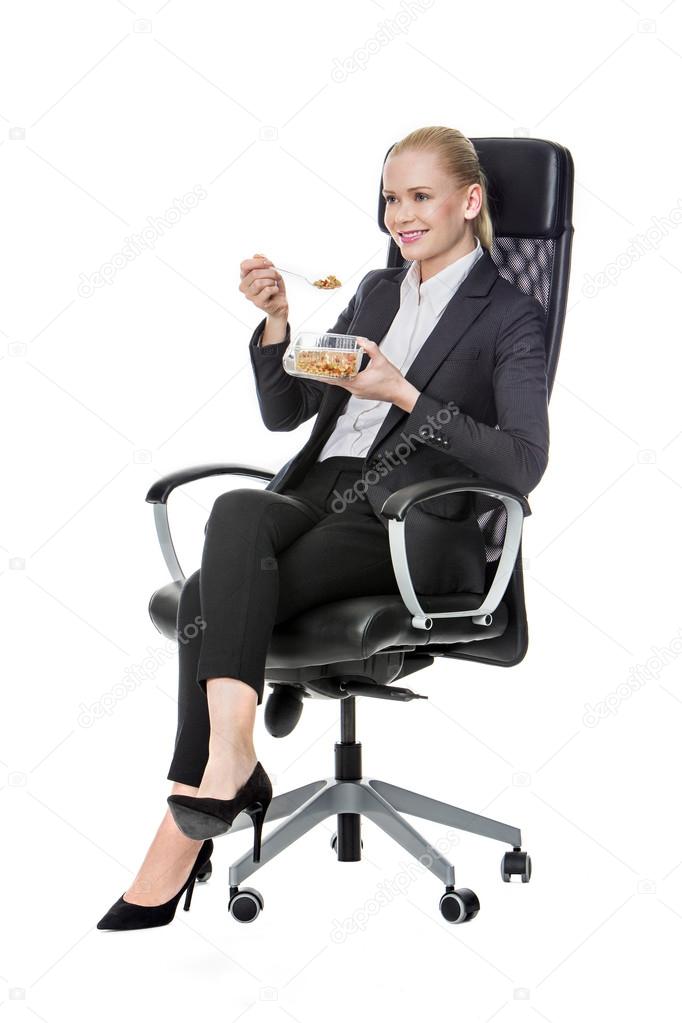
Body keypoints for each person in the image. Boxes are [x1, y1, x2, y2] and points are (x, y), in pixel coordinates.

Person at [97, 125, 549, 930]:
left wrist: (405, 393)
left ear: (468, 201)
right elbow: (287, 413)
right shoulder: (378, 291)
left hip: (405, 515)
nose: (399, 216)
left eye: (418, 197)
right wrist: (277, 323)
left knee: (210, 593)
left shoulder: (509, 314)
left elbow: (520, 463)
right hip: (317, 488)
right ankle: (231, 756)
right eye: (389, 199)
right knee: (238, 509)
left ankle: (188, 820)